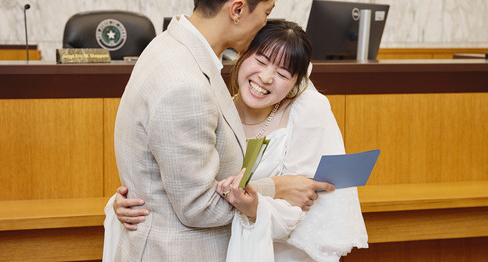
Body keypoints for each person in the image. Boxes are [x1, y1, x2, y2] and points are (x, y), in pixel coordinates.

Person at [109, 0, 334, 262]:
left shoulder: (169, 46)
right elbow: (197, 207)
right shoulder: (185, 84)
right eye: (266, 13)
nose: (263, 25)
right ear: (238, 9)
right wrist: (277, 188)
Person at [111, 20, 368, 261]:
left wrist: (258, 207)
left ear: (294, 85)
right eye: (261, 60)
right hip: (222, 248)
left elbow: (302, 200)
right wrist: (126, 202)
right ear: (242, 56)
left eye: (282, 73)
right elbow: (186, 182)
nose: (266, 77)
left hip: (280, 252)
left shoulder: (308, 110)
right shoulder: (212, 105)